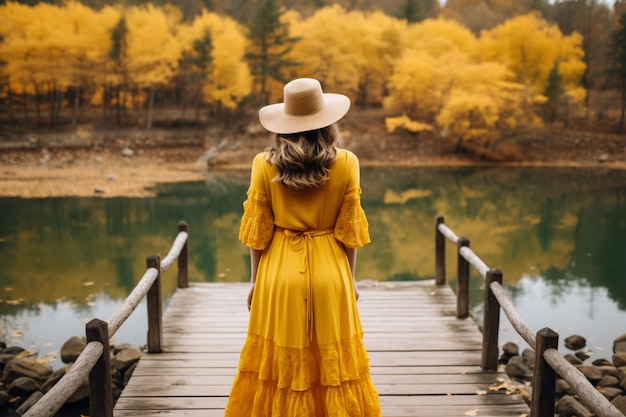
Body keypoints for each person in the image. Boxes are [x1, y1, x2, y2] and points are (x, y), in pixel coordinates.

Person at [224, 78, 381, 417]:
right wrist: (349, 279)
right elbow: (349, 232)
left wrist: (255, 281)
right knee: (334, 367)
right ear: (328, 121)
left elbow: (258, 234)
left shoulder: (263, 164)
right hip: (331, 272)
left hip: (278, 273)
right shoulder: (347, 162)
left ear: (283, 124)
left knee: (281, 367)